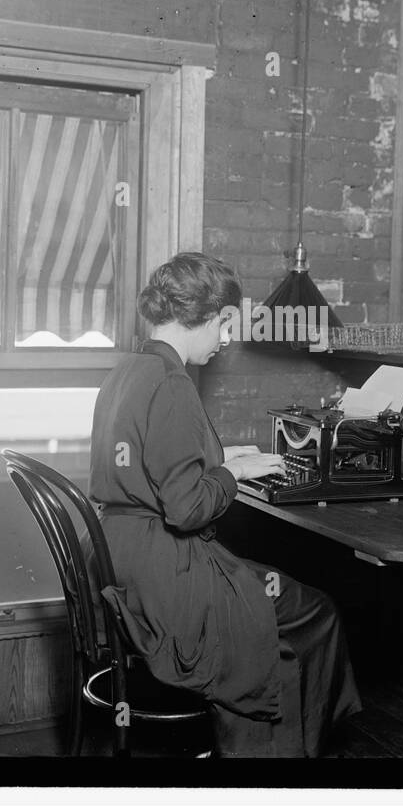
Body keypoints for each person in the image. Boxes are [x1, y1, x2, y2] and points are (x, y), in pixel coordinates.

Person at [89, 251, 362, 756]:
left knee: (287, 601)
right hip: (166, 575)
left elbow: (149, 461)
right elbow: (187, 509)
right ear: (205, 317)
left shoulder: (130, 369)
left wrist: (224, 454)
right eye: (225, 325)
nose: (227, 340)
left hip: (125, 560)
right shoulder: (172, 384)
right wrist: (231, 472)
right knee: (317, 611)